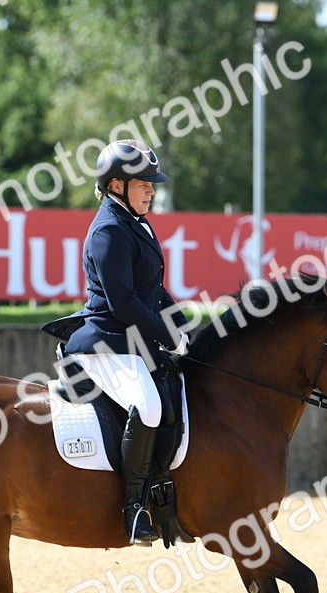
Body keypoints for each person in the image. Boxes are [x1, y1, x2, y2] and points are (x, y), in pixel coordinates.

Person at [43, 139, 189, 546]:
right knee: (148, 407)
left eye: (151, 185)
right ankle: (133, 510)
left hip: (132, 341)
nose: (151, 192)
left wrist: (181, 326)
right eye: (143, 185)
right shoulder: (108, 230)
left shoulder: (135, 222)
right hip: (105, 342)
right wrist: (167, 336)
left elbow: (153, 289)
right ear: (116, 186)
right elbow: (124, 302)